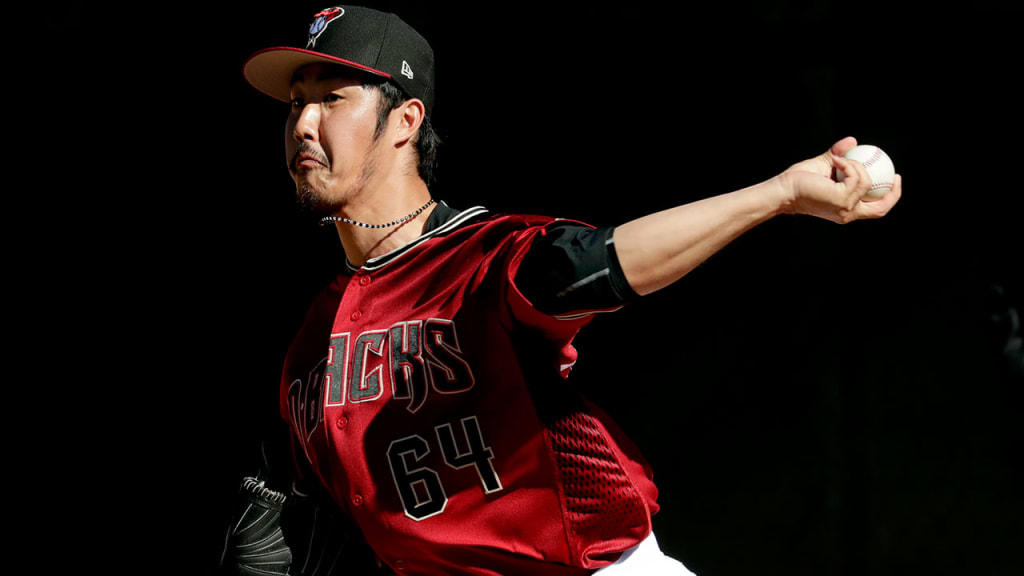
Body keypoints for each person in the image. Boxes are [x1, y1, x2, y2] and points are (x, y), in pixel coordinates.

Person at [223, 5, 901, 576]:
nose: (304, 124)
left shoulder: (483, 258)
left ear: (405, 121)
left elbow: (598, 264)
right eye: (295, 103)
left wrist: (780, 194)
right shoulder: (312, 345)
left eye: (331, 97)